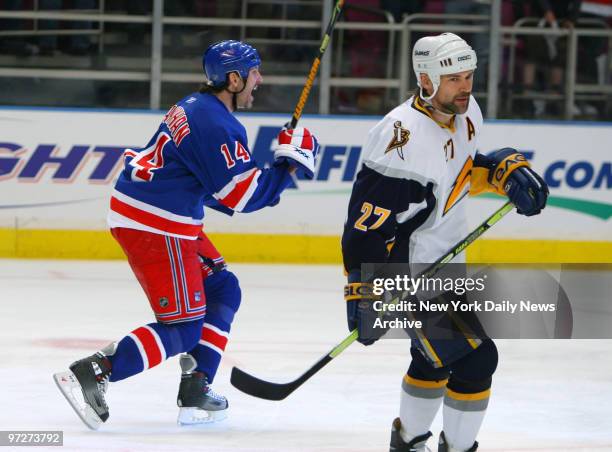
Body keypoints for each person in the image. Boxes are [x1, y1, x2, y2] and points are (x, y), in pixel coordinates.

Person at [53, 40, 319, 429]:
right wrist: (286, 168)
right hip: (155, 223)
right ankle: (96, 370)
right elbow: (240, 198)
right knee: (182, 325)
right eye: (253, 71)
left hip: (162, 214)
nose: (259, 79)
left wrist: (278, 170)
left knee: (223, 289)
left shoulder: (199, 106)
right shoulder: (216, 123)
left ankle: (196, 387)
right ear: (233, 78)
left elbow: (220, 191)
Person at [341, 33, 548, 451]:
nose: (466, 86)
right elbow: (365, 227)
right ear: (426, 78)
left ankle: (407, 442)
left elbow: (456, 174)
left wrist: (499, 173)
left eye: (469, 75)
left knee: (433, 361)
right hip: (411, 274)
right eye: (453, 78)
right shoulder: (400, 139)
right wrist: (363, 292)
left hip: (447, 267)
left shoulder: (467, 111)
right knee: (476, 359)